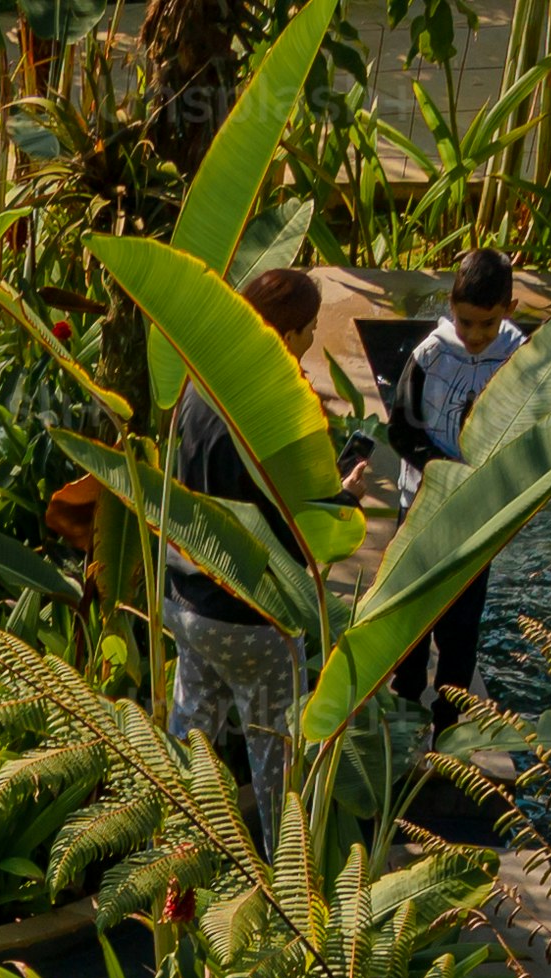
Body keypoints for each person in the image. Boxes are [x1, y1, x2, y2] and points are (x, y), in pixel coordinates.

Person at [162, 260, 325, 830]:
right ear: (285, 335)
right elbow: (296, 528)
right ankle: (285, 881)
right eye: (308, 330)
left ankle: (179, 853)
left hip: (185, 600)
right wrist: (342, 498)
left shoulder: (197, 387)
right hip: (252, 619)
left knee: (193, 743)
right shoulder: (271, 408)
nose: (311, 341)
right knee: (277, 759)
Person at [394, 251, 528, 715]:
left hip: (477, 515)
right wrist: (444, 470)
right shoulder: (430, 354)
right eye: (464, 322)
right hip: (421, 502)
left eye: (485, 326)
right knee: (410, 612)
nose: (473, 336)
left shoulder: (521, 358)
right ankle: (406, 698)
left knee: (461, 625)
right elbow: (401, 431)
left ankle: (448, 719)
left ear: (508, 310)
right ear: (451, 307)